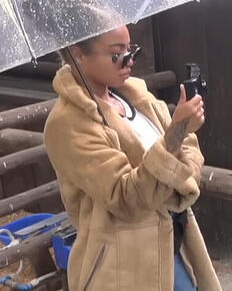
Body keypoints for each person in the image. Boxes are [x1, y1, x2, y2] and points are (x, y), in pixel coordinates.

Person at [44, 21, 222, 290]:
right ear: (78, 55)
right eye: (117, 54)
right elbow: (126, 197)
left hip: (175, 240)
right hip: (122, 264)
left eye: (132, 51)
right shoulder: (68, 123)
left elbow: (191, 150)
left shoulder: (136, 95)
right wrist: (177, 133)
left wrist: (178, 142)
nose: (129, 62)